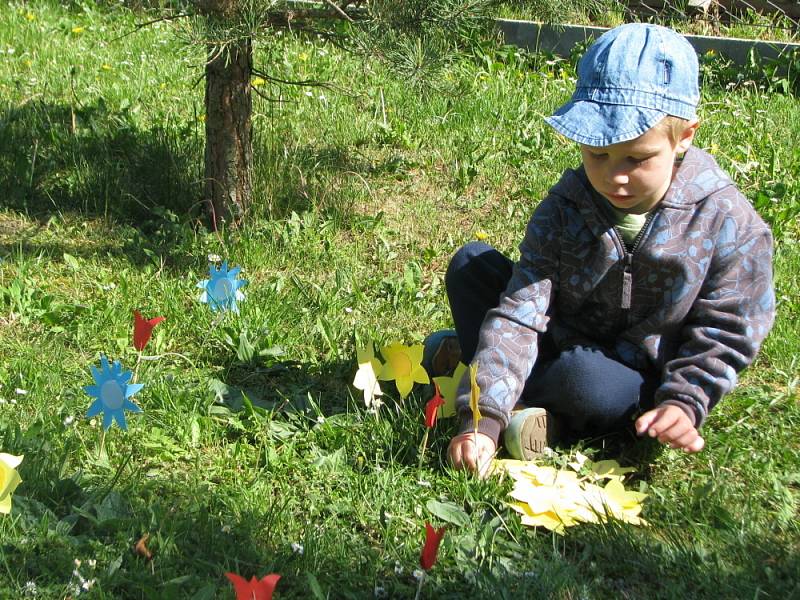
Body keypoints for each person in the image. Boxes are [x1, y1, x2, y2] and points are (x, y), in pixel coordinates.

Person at [424, 23, 775, 474]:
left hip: (634, 374)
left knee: (586, 383)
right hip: (563, 331)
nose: (615, 176)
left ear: (684, 136)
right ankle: (502, 394)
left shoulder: (728, 221)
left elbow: (729, 328)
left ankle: (490, 370)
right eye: (598, 154)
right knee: (472, 266)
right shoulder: (567, 204)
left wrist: (684, 401)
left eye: (637, 157)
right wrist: (480, 420)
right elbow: (521, 308)